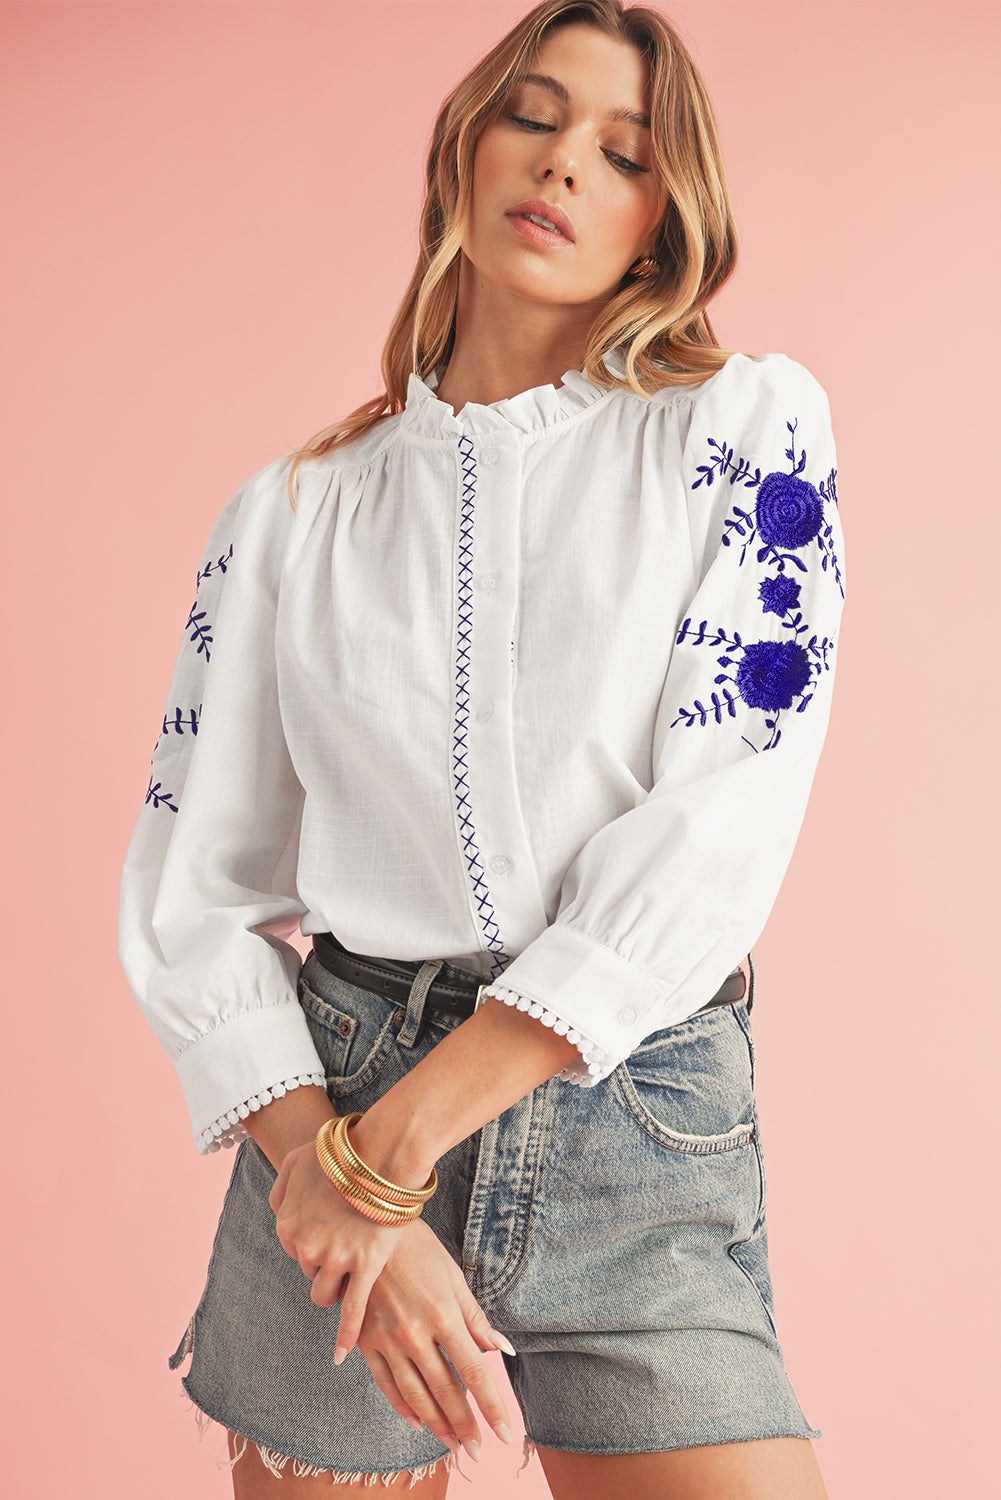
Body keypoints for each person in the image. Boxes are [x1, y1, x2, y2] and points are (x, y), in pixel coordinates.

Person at [118, 1, 844, 1495]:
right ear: (462, 148)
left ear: (662, 216)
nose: (564, 163)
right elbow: (193, 895)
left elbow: (721, 820)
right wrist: (327, 1170)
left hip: (628, 1103)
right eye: (533, 114)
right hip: (329, 1095)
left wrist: (385, 1160)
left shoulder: (743, 429)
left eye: (622, 149)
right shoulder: (293, 512)